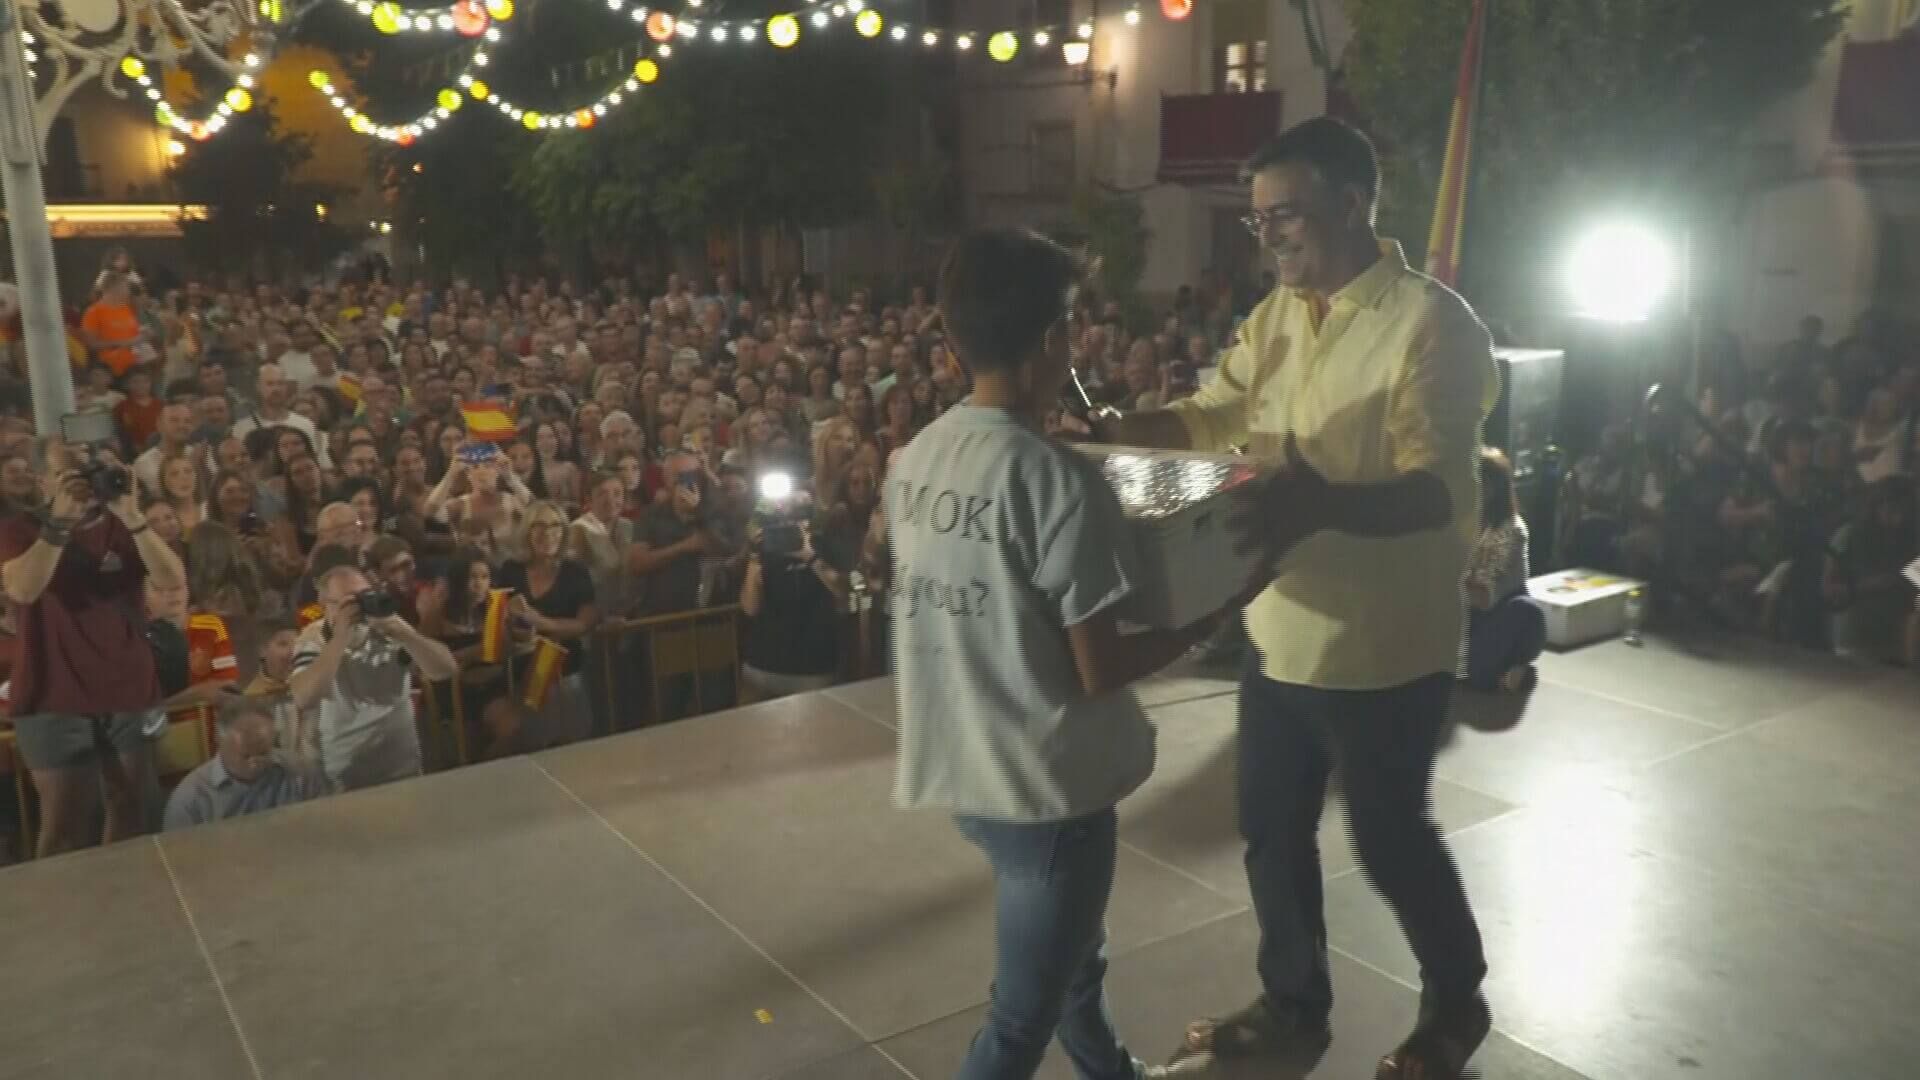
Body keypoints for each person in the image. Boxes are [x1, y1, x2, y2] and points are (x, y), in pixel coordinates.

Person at [1085, 118, 1497, 1078]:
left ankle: (1457, 1001)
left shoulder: (1432, 324)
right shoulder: (1277, 315)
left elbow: (1440, 494)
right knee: (1272, 834)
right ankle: (1293, 1005)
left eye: (1285, 216)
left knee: (1391, 842)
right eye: (1258, 220)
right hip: (1277, 634)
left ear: (1351, 205)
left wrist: (1323, 503)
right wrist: (1121, 428)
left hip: (1385, 650)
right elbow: (1213, 411)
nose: (1267, 236)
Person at [890, 229, 1263, 1080]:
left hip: (967, 763)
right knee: (1018, 1024)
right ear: (1055, 340)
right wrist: (1217, 611)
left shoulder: (918, 456)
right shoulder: (1057, 478)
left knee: (1073, 966)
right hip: (1048, 790)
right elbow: (1100, 668)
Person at [0, 438, 187, 856]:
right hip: (53, 690)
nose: (84, 484)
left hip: (127, 684)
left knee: (133, 807)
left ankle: (128, 892)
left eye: (89, 473)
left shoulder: (123, 525)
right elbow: (24, 589)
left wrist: (134, 517)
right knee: (66, 823)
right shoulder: (19, 530)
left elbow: (171, 579)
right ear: (43, 481)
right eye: (71, 476)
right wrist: (59, 525)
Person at [287, 561, 458, 791]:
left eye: (365, 596)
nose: (360, 607)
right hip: (347, 773)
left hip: (402, 765)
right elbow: (304, 697)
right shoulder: (314, 637)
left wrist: (404, 634)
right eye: (350, 601)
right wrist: (340, 638)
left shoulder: (387, 625)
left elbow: (446, 670)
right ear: (325, 604)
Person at [493, 500, 598, 749]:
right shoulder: (510, 570)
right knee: (531, 746)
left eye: (554, 526)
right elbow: (495, 625)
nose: (547, 533)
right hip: (521, 673)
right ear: (527, 532)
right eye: (538, 526)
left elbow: (584, 624)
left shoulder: (575, 571)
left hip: (565, 672)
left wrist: (540, 622)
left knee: (573, 745)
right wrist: (512, 625)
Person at [162, 695, 329, 830]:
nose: (255, 763)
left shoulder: (300, 773)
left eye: (263, 753)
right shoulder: (191, 800)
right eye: (245, 756)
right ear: (219, 741)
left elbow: (325, 826)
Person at [1461, 449, 1546, 691]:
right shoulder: (1464, 523)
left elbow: (1483, 597)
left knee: (1471, 668)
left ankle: (1507, 672)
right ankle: (1500, 673)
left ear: (1490, 488)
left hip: (1504, 616)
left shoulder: (1510, 531)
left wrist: (1443, 579)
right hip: (1467, 615)